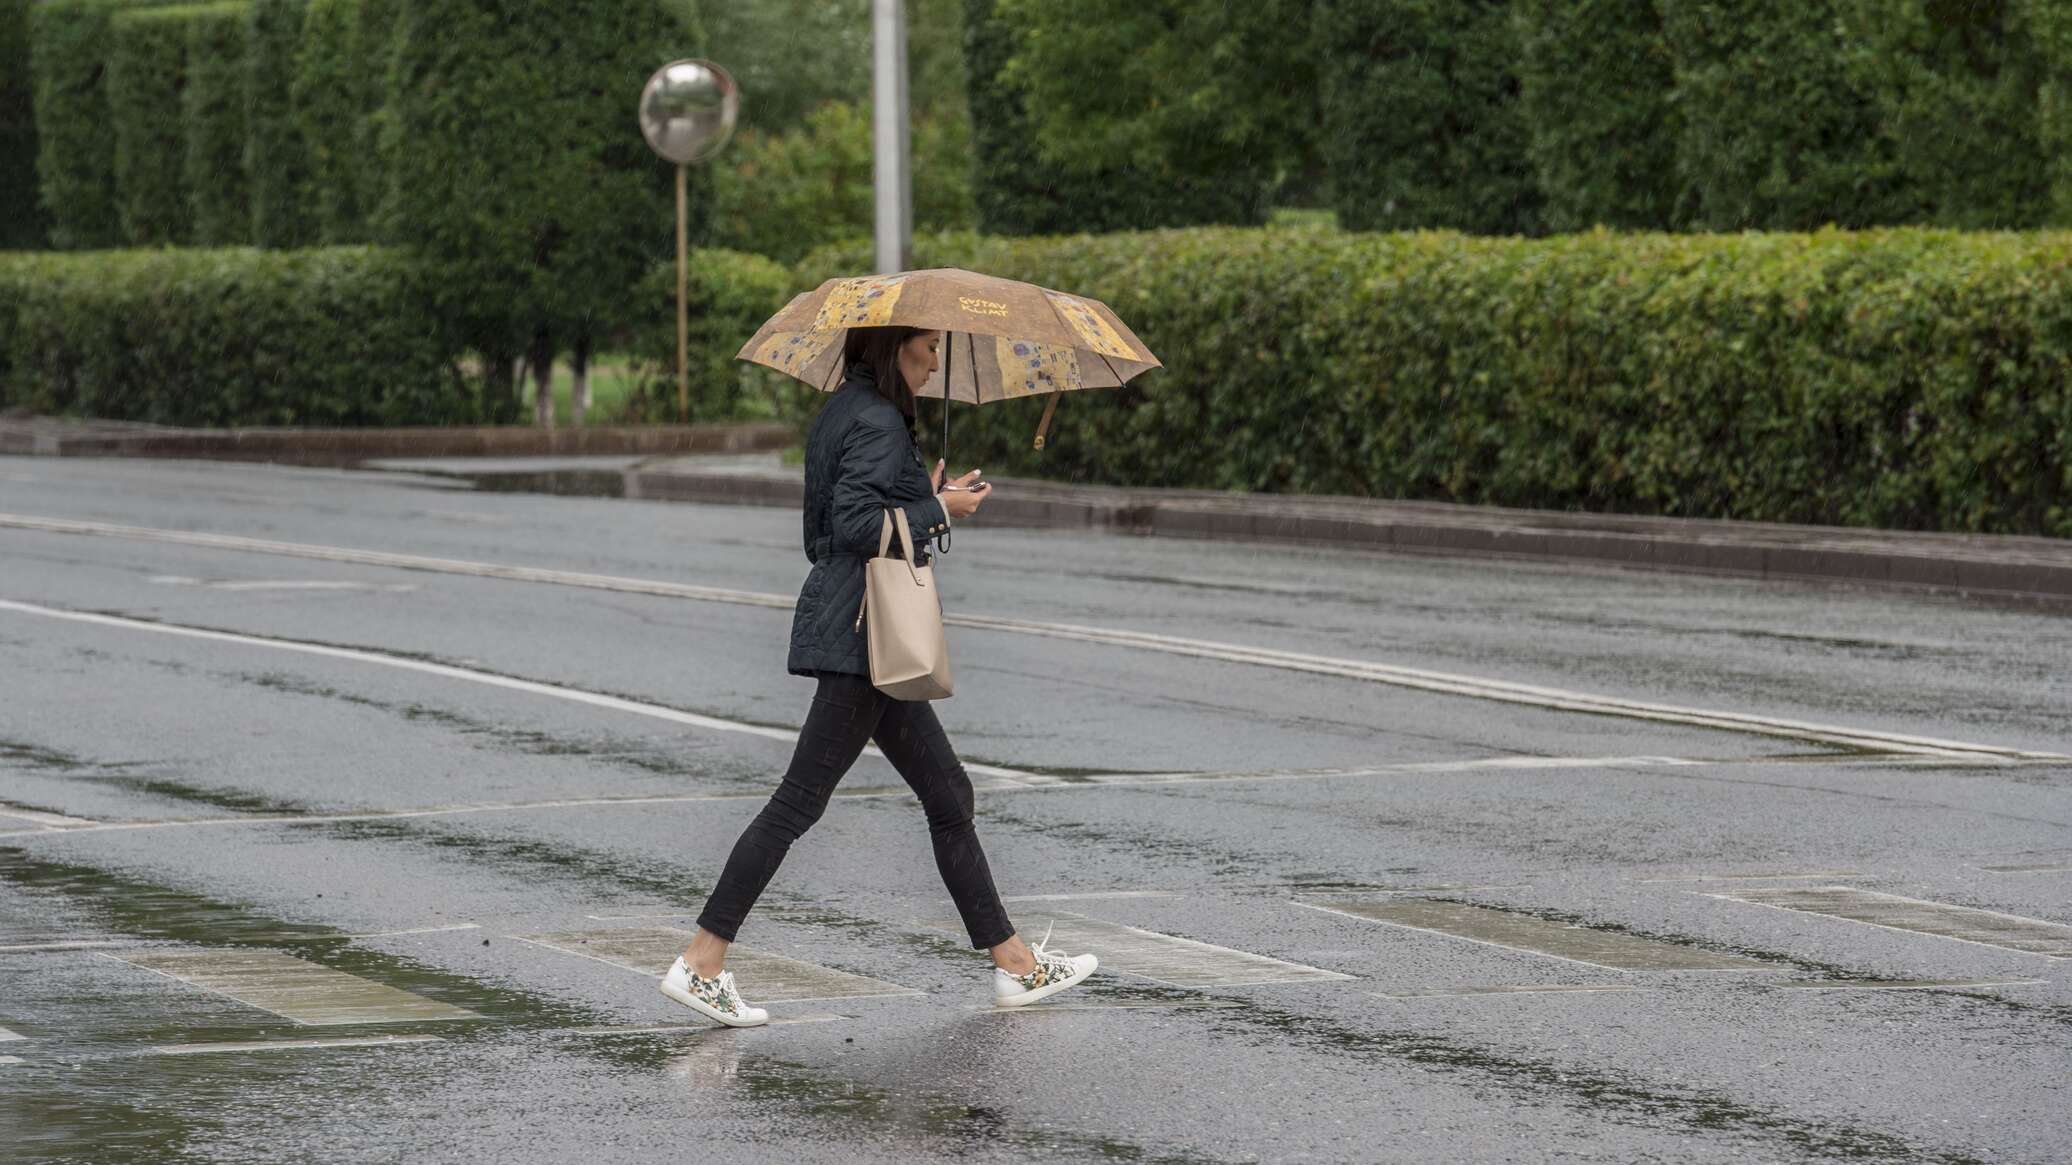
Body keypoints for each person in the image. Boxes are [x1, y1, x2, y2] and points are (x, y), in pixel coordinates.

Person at [660, 324, 1099, 1027]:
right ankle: (701, 959)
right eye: (926, 348)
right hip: (867, 637)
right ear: (892, 348)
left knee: (948, 792)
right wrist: (938, 508)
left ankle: (1015, 963)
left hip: (860, 634)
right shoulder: (879, 419)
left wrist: (918, 492)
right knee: (797, 802)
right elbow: (858, 522)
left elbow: (823, 532)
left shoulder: (843, 411)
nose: (934, 362)